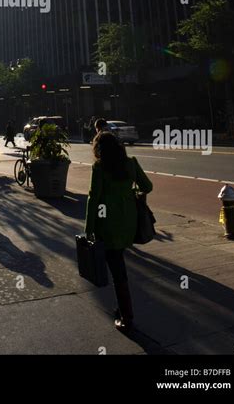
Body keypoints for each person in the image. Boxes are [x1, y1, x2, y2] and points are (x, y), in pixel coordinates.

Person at [85, 131, 152, 333]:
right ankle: (122, 308)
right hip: (129, 221)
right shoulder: (131, 162)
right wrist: (130, 194)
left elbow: (93, 199)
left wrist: (89, 229)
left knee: (118, 272)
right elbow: (147, 186)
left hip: (108, 224)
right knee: (119, 261)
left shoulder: (99, 167)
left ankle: (127, 316)